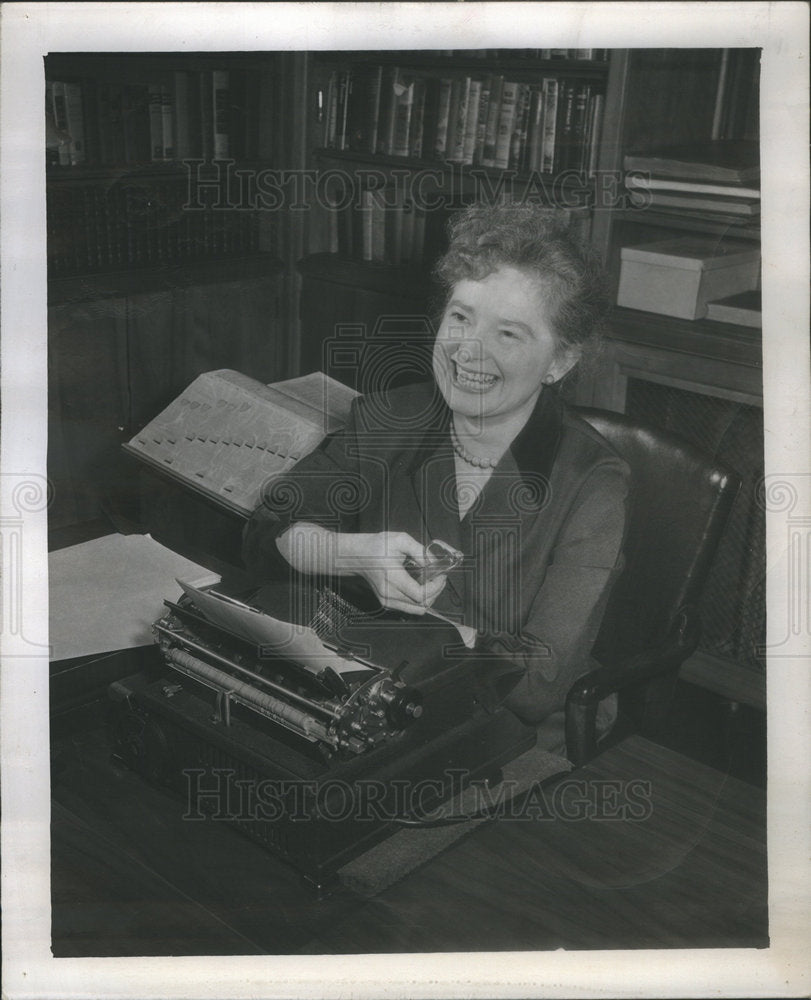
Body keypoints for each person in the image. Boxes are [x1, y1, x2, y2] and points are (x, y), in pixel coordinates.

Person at [242, 203, 629, 750]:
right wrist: (351, 555)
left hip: (506, 729)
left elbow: (537, 682)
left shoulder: (593, 483)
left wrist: (407, 634)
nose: (468, 349)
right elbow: (268, 530)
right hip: (373, 686)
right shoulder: (391, 416)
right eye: (461, 317)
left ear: (560, 362)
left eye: (509, 334)